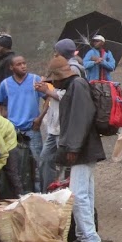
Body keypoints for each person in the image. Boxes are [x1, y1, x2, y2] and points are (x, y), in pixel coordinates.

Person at [44, 56, 106, 242]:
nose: (53, 83)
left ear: (59, 76)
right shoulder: (76, 84)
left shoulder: (77, 86)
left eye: (53, 79)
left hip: (82, 148)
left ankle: (90, 239)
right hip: (85, 146)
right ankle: (84, 235)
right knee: (85, 192)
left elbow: (80, 118)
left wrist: (73, 147)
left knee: (78, 194)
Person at [0, 55, 45, 193]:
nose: (23, 66)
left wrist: (40, 118)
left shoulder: (35, 80)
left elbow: (48, 98)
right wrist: (2, 120)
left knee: (36, 161)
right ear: (11, 67)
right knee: (16, 163)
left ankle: (38, 193)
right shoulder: (5, 84)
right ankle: (21, 193)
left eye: (24, 63)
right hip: (13, 130)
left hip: (32, 128)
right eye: (19, 64)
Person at [38, 38, 82, 193]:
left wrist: (47, 90)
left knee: (66, 161)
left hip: (63, 124)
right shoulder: (61, 67)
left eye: (56, 51)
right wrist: (47, 86)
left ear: (61, 53)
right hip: (53, 124)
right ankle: (49, 191)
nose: (54, 54)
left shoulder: (73, 69)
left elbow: (68, 96)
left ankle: (69, 190)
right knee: (45, 159)